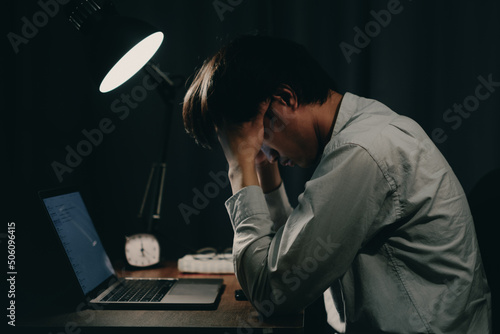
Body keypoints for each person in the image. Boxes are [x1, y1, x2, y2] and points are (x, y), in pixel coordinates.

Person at [182, 35, 491, 333]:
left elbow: (272, 294)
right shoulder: (366, 129)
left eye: (255, 137)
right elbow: (293, 255)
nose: (259, 151)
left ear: (286, 99)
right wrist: (264, 167)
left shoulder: (363, 150)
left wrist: (238, 167)